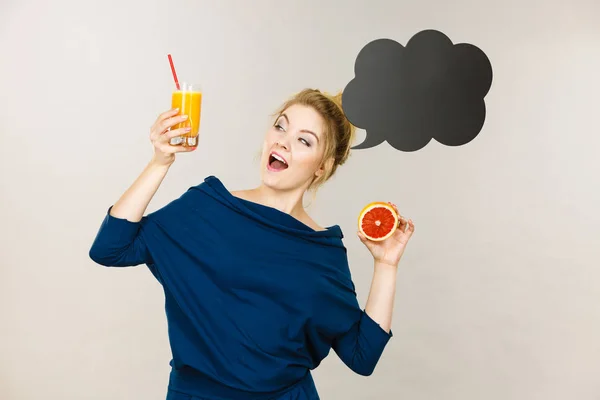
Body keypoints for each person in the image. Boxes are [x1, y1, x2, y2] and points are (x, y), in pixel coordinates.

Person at [89, 88, 415, 400]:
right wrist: (160, 162)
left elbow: (362, 355)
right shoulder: (207, 207)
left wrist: (386, 265)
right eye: (280, 127)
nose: (283, 142)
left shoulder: (323, 252)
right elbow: (110, 247)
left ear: (322, 166)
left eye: (303, 140)